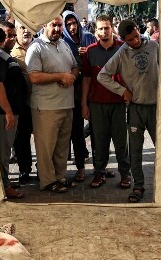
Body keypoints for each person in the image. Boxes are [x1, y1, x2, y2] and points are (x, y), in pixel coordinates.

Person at [97, 20, 159, 203]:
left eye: (136, 36)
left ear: (139, 31)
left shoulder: (154, 46)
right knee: (135, 150)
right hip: (136, 108)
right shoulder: (121, 54)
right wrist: (122, 91)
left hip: (156, 107)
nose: (135, 41)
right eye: (130, 40)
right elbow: (102, 76)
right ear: (123, 40)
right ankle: (138, 186)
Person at [25, 15, 79, 193]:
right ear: (44, 25)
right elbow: (34, 76)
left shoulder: (64, 44)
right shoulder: (36, 47)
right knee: (46, 148)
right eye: (53, 25)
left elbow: (75, 66)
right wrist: (60, 76)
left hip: (66, 104)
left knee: (62, 146)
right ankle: (47, 181)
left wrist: (71, 77)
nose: (57, 29)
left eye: (60, 25)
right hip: (46, 107)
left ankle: (59, 176)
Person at [81, 16, 129, 189]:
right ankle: (99, 173)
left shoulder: (123, 48)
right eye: (100, 29)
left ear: (112, 29)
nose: (104, 32)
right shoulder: (90, 51)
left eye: (106, 28)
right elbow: (86, 79)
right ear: (95, 31)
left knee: (121, 142)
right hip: (97, 103)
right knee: (100, 141)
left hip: (118, 102)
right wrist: (84, 104)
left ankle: (125, 175)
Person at [0, 28, 24, 199]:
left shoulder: (0, 57)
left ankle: (3, 182)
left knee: (4, 151)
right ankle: (4, 186)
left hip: (7, 111)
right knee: (2, 152)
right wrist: (8, 111)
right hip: (1, 113)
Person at [62, 9, 97, 183]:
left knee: (97, 130)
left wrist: (88, 54)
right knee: (76, 131)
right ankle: (80, 167)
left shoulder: (89, 37)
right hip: (73, 93)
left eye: (73, 23)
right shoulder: (63, 42)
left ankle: (100, 167)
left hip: (93, 90)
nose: (72, 27)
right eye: (68, 24)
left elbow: (98, 58)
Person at [10, 20, 35, 184]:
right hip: (23, 104)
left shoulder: (40, 46)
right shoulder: (11, 52)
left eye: (28, 27)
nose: (26, 31)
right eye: (22, 27)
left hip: (41, 101)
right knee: (22, 139)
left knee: (43, 138)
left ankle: (45, 168)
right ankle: (24, 169)